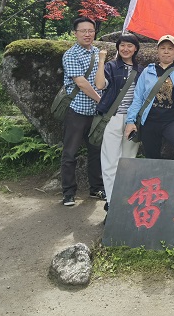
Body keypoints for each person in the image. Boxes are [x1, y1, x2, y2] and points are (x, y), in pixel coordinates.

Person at [60, 17, 107, 207]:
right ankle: (68, 193)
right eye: (83, 31)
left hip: (95, 113)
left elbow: (102, 79)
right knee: (70, 152)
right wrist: (101, 101)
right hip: (77, 110)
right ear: (75, 33)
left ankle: (96, 188)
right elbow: (81, 83)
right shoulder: (70, 55)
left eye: (91, 31)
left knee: (96, 151)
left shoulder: (97, 52)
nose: (87, 34)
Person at [124, 35, 174, 160]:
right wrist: (130, 121)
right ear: (158, 50)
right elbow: (138, 98)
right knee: (151, 155)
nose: (166, 51)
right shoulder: (148, 71)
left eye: (170, 48)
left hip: (172, 120)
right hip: (150, 120)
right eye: (163, 48)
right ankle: (155, 173)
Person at [95, 33, 143, 212]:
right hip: (113, 117)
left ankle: (125, 200)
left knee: (128, 160)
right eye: (122, 45)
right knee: (110, 161)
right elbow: (100, 85)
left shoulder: (142, 70)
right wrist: (101, 61)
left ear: (136, 48)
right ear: (118, 47)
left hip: (132, 121)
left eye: (129, 45)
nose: (125, 49)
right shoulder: (111, 66)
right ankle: (112, 201)